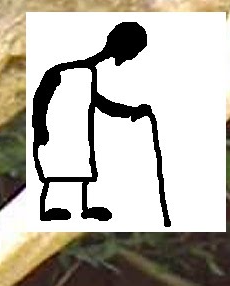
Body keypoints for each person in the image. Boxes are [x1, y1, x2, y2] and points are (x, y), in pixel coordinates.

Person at [32, 21, 152, 221]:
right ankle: (49, 208)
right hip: (55, 136)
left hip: (77, 137)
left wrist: (132, 112)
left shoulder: (87, 74)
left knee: (79, 173)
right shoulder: (63, 72)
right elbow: (40, 102)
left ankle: (82, 209)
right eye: (133, 51)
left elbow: (100, 103)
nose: (130, 57)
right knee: (58, 174)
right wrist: (41, 129)